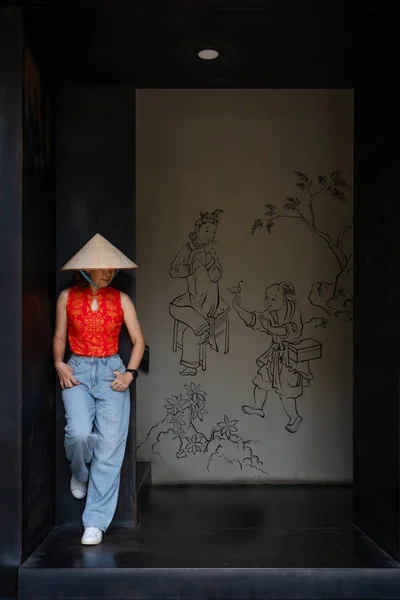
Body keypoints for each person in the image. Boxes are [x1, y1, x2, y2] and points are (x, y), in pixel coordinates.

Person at [53, 233, 145, 545]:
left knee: (109, 449)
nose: (108, 272)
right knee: (78, 432)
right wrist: (58, 362)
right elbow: (59, 337)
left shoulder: (121, 299)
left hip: (111, 370)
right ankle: (79, 471)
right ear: (86, 268)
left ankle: (95, 521)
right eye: (102, 267)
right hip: (77, 369)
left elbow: (138, 341)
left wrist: (130, 373)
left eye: (111, 268)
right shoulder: (67, 297)